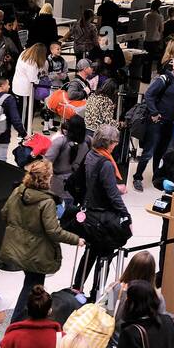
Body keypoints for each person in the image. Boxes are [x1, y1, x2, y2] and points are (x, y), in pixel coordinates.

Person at [0, 160, 83, 322]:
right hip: (37, 252)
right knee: (32, 287)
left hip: (18, 247)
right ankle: (17, 322)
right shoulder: (47, 202)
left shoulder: (18, 191)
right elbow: (53, 231)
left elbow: (5, 213)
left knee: (30, 283)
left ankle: (28, 319)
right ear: (47, 178)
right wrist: (76, 239)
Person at [74, 125, 131, 295]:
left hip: (90, 212)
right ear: (108, 143)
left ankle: (77, 288)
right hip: (104, 218)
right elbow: (112, 196)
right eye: (114, 143)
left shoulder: (90, 155)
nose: (115, 146)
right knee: (104, 256)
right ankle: (96, 294)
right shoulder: (105, 163)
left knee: (89, 253)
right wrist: (126, 216)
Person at [133, 55, 174, 190]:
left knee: (162, 151)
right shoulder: (164, 79)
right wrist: (154, 112)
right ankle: (137, 177)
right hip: (157, 121)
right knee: (149, 151)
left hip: (171, 121)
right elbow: (149, 95)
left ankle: (156, 176)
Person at [0, 75, 26, 161]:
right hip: (3, 136)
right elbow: (15, 119)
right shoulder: (9, 99)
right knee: (2, 161)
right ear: (2, 86)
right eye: (8, 84)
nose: (9, 86)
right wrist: (23, 134)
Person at [141, 0, 164, 77]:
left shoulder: (146, 15)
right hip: (155, 41)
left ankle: (144, 76)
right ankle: (154, 75)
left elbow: (144, 27)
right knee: (155, 59)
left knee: (146, 60)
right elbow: (161, 29)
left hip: (146, 40)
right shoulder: (159, 17)